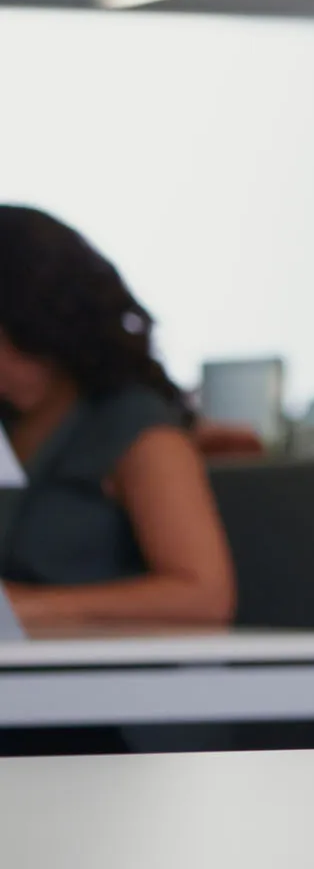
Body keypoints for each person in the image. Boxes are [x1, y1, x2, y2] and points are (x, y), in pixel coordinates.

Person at [0, 205, 236, 630]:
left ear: (43, 324)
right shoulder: (12, 424)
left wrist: (28, 608)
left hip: (99, 676)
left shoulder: (135, 429)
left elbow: (205, 595)